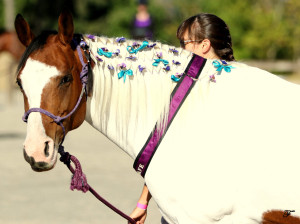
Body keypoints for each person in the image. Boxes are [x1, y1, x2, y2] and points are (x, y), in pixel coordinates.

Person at [129, 13, 235, 224]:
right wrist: (143, 203)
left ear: (204, 45)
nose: (181, 50)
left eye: (184, 43)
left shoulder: (213, 88)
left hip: (209, 208)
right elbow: (165, 150)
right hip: (184, 207)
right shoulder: (190, 86)